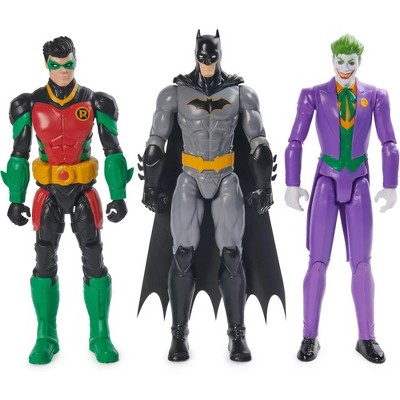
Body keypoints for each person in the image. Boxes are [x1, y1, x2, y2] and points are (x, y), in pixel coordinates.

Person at [139, 30, 284, 362]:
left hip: (226, 176)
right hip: (188, 176)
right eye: (202, 57)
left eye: (212, 57)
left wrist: (264, 184)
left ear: (219, 55)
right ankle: (179, 335)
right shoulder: (174, 93)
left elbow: (258, 141)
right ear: (195, 54)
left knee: (232, 253)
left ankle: (237, 335)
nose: (207, 63)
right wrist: (151, 184)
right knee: (182, 253)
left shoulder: (240, 93)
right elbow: (156, 140)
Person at [2, 36, 133, 364]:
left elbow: (113, 150)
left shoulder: (95, 102)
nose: (63, 71)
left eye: (69, 64)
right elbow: (19, 154)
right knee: (44, 260)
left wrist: (118, 195)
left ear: (76, 62)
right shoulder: (30, 104)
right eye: (56, 65)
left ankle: (100, 333)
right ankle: (46, 334)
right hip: (47, 192)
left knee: (94, 258)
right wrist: (16, 199)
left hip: (83, 191)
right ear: (46, 65)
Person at [285, 33, 398, 363]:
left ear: (359, 62)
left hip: (359, 181)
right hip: (326, 181)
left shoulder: (375, 96)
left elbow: (389, 142)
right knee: (317, 261)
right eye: (340, 60)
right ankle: (309, 336)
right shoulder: (314, 94)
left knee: (362, 263)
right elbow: (295, 140)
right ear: (332, 59)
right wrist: (292, 183)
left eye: (351, 61)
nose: (345, 67)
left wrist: (390, 184)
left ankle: (367, 337)